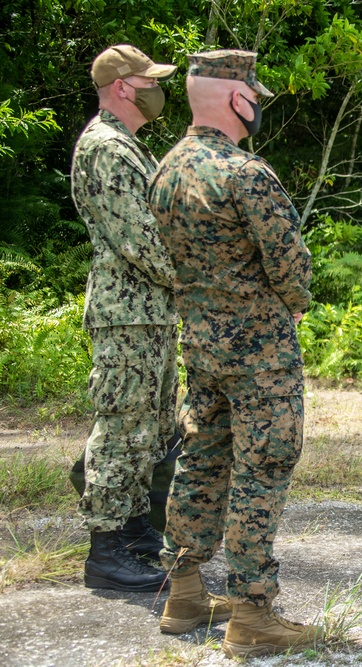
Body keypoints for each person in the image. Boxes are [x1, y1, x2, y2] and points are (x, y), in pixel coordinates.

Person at [148, 50, 322, 657]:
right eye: (253, 93)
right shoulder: (246, 173)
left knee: (202, 458)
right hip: (259, 351)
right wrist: (296, 300)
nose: (257, 105)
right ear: (234, 98)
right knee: (262, 468)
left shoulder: (165, 170)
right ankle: (251, 613)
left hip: (201, 344)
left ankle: (185, 592)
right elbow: (291, 265)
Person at [70, 44, 179, 593]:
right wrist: (203, 280)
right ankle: (107, 549)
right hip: (127, 315)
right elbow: (143, 242)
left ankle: (136, 534)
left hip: (149, 314)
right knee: (123, 428)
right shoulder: (107, 148)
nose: (157, 90)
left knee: (152, 429)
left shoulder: (127, 146)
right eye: (148, 81)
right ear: (121, 87)